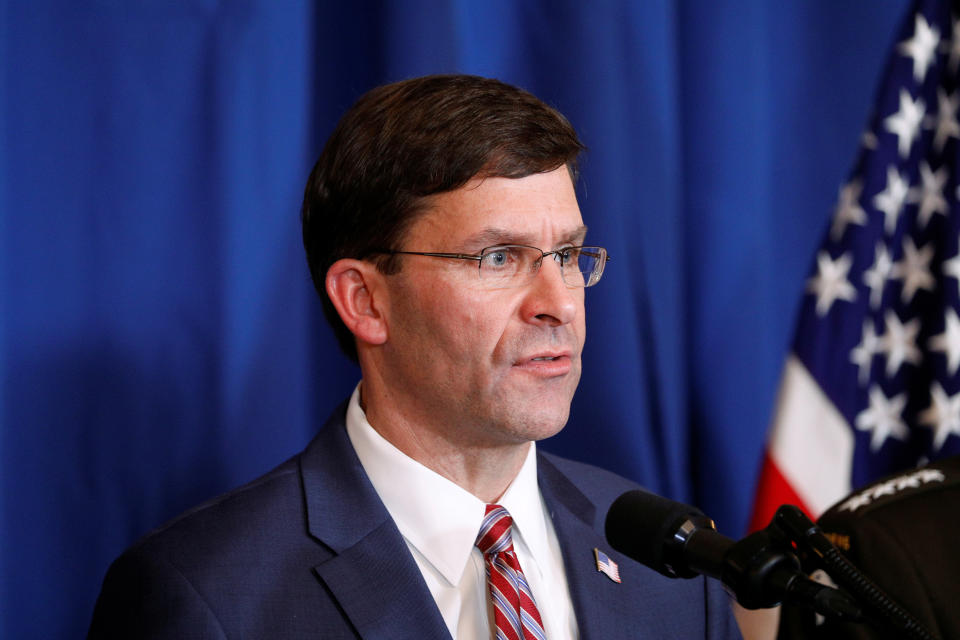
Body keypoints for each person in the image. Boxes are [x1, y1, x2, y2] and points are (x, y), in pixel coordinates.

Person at [88, 74, 741, 639]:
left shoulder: (676, 565)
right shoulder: (208, 596)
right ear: (366, 301)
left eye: (566, 256)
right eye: (498, 258)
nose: (558, 305)